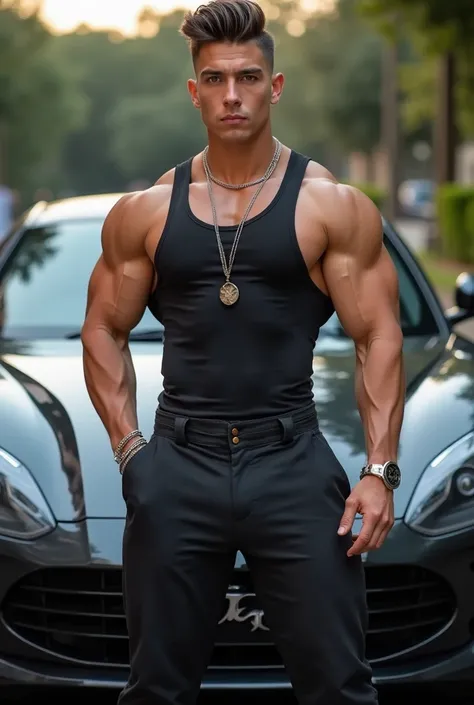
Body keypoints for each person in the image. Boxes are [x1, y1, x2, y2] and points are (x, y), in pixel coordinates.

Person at [81, 1, 405, 703]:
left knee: (341, 686)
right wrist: (132, 452)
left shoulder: (330, 206)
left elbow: (379, 333)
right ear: (193, 89)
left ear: (275, 86)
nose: (233, 95)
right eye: (216, 79)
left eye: (249, 78)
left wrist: (379, 468)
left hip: (291, 461)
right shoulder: (148, 212)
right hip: (179, 460)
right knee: (155, 688)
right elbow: (101, 328)